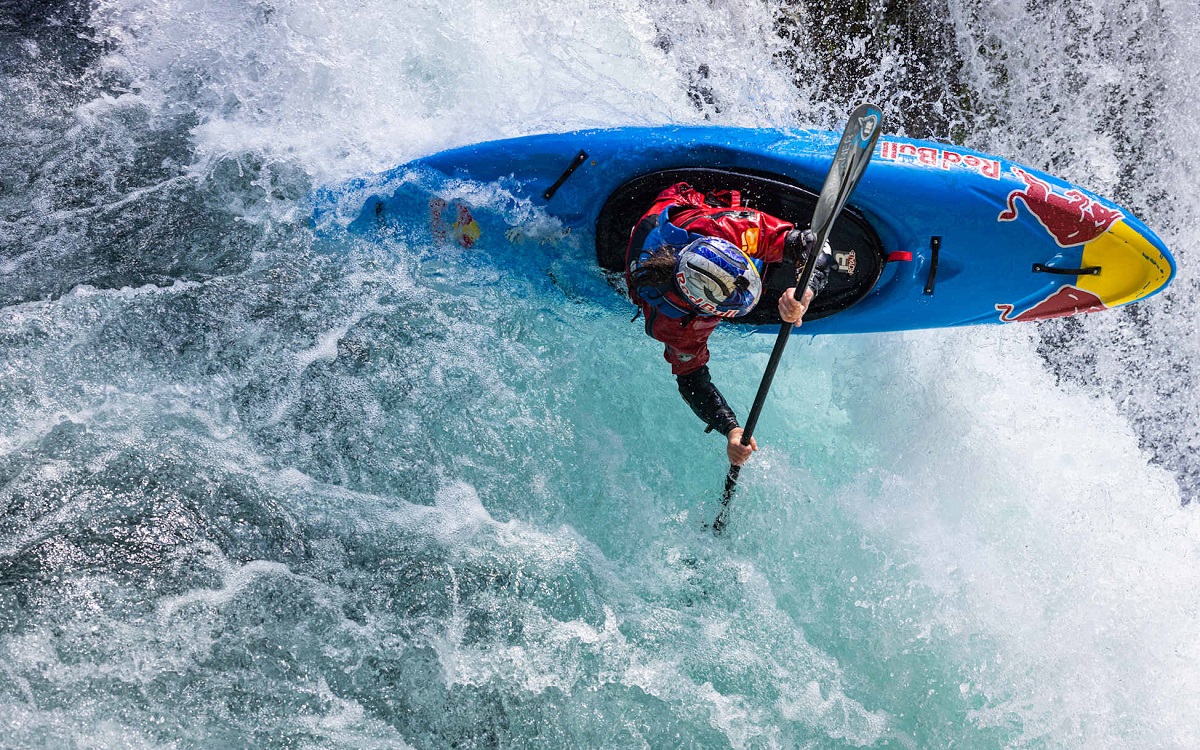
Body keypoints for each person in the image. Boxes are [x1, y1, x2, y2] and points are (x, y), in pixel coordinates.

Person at [625, 182, 832, 467]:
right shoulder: (675, 325)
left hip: (687, 214)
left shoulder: (723, 229)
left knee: (766, 228)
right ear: (702, 309)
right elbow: (691, 379)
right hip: (652, 250)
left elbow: (811, 242)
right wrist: (731, 429)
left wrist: (805, 290)